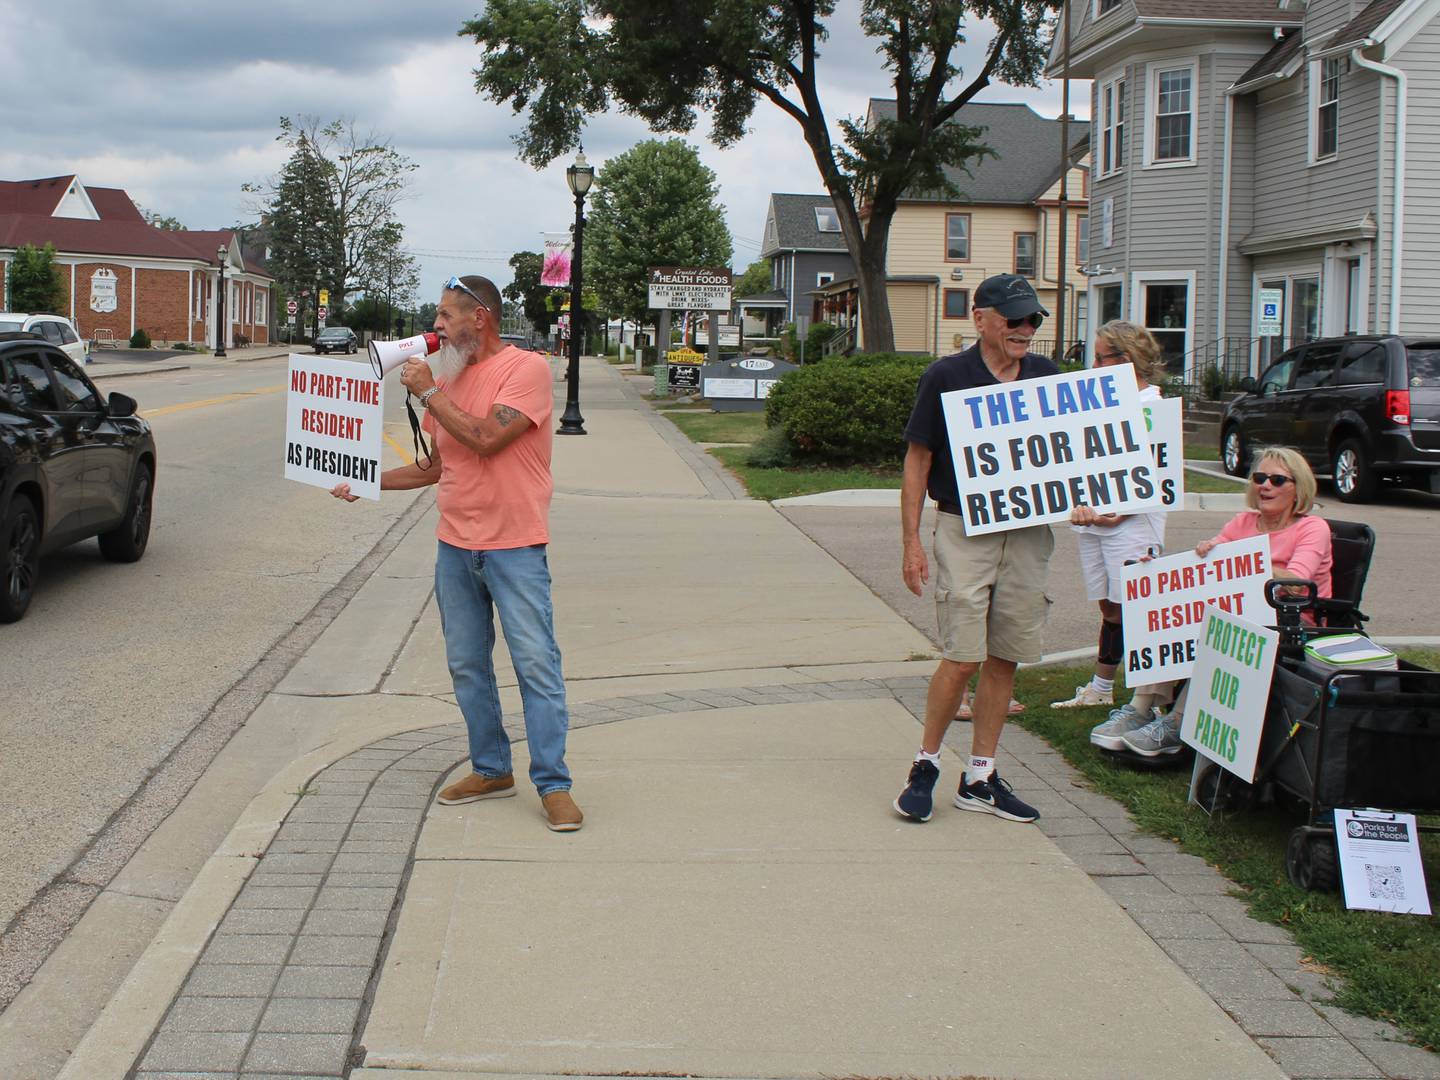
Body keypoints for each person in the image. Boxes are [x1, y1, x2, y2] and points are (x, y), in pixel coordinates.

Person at [331, 275, 583, 832]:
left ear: (480, 319)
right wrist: (364, 477)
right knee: (467, 665)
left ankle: (554, 783)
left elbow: (487, 439)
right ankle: (492, 769)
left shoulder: (526, 370)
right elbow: (437, 466)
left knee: (535, 664)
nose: (436, 327)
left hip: (514, 545)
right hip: (455, 545)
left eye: (446, 316)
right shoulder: (451, 376)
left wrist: (428, 392)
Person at [894, 274, 1058, 824]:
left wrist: (1085, 497)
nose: (1026, 329)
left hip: (1029, 530)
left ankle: (981, 777)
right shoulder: (946, 376)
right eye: (1014, 319)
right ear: (981, 319)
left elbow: (1065, 457)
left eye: (1033, 319)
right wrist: (911, 541)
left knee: (1005, 653)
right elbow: (918, 460)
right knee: (963, 655)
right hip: (966, 526)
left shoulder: (1045, 376)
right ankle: (926, 763)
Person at [1119, 445, 1333, 756]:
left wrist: (1250, 562)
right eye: (1260, 478)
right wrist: (1174, 567)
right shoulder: (1244, 522)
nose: (1265, 486)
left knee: (1220, 631)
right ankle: (1140, 708)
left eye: (1277, 480)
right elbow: (1212, 563)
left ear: (1298, 487)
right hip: (1241, 610)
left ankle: (1177, 724)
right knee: (1172, 613)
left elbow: (1298, 584)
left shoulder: (1313, 528)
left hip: (1291, 620)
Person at [1051, 322, 1173, 739]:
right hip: (1094, 519)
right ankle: (1102, 688)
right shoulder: (1098, 403)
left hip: (1132, 525)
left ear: (1125, 360)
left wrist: (1118, 514)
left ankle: (1154, 701)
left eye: (1101, 357)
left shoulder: (1151, 404)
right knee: (1109, 607)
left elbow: (1158, 470)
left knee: (1139, 609)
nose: (1096, 365)